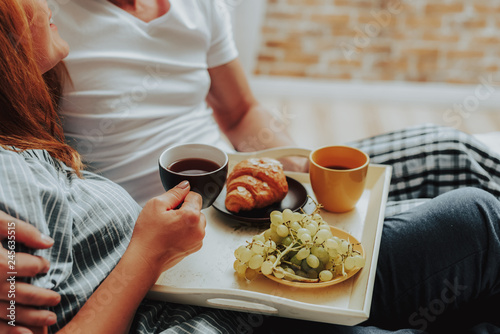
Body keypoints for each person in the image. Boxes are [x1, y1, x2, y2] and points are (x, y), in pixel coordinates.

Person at [1, 1, 499, 334]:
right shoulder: (55, 30)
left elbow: (239, 112)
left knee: (451, 153)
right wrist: (148, 250)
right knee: (473, 221)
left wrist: (294, 167)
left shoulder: (197, 7)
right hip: (179, 260)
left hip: (219, 206)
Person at [48, 0, 300, 207]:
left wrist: (300, 163)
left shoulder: (202, 6)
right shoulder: (48, 21)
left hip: (225, 197)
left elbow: (241, 113)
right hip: (134, 220)